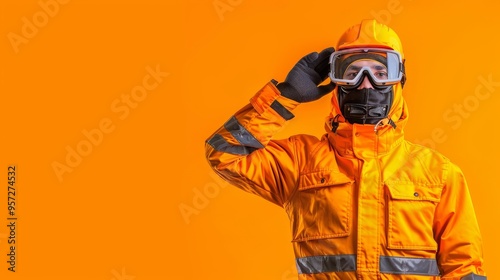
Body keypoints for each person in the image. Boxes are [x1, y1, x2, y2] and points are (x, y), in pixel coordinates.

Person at [205, 19, 487, 279]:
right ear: (337, 82)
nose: (366, 82)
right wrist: (285, 97)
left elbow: (463, 267)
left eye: (380, 71)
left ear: (400, 80)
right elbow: (224, 154)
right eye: (352, 72)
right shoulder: (300, 161)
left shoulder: (438, 174)